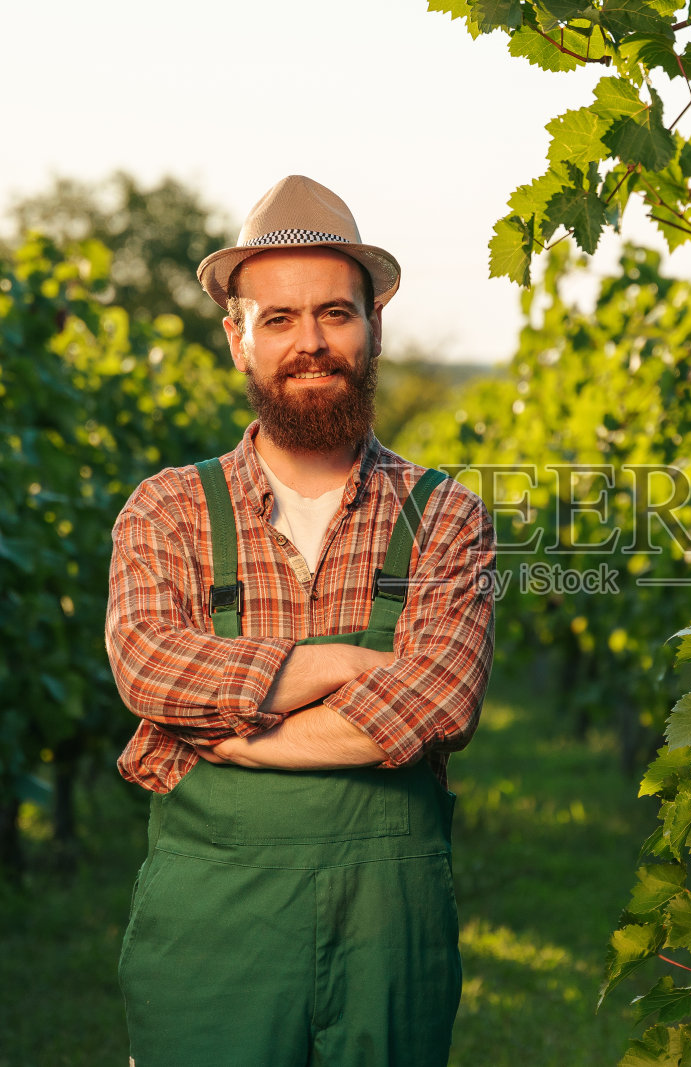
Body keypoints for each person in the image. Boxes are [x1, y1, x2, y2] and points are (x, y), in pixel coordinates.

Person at [104, 175, 495, 1066]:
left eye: (334, 314)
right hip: (211, 942)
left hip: (389, 943)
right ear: (236, 338)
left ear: (375, 328)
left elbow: (439, 703)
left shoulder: (447, 515)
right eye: (278, 319)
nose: (309, 343)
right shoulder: (168, 511)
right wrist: (346, 666)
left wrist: (240, 736)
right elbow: (151, 671)